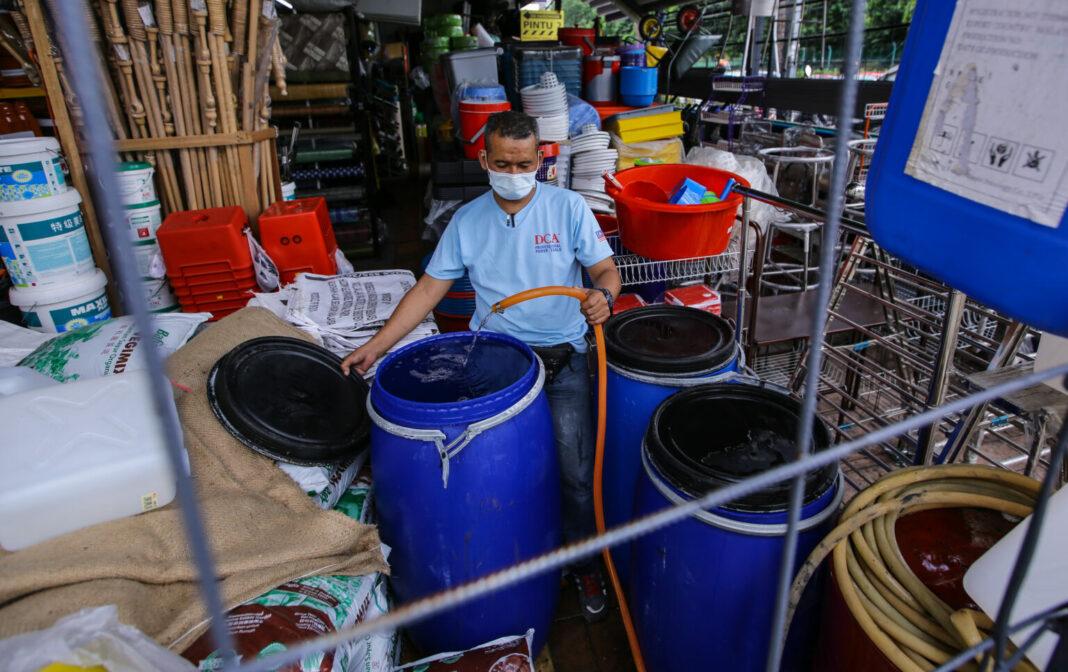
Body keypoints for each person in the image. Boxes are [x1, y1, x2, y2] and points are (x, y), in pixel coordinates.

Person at [341, 110, 621, 622]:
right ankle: (520, 556)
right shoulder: (467, 222)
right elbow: (429, 288)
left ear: (541, 160)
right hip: (499, 369)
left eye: (523, 162)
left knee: (576, 475)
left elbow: (605, 268)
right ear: (484, 159)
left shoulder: (569, 209)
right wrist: (377, 346)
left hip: (564, 362)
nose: (514, 173)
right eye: (503, 163)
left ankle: (583, 564)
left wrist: (603, 294)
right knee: (503, 477)